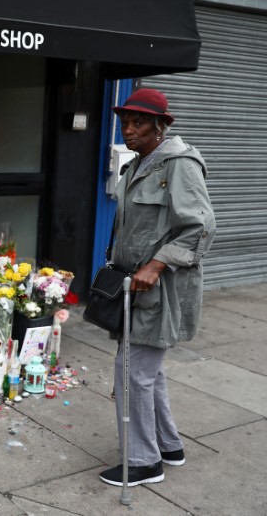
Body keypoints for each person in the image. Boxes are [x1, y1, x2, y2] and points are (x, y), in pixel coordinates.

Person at [100, 88, 216, 487]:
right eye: (125, 122)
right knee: (147, 371)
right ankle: (168, 446)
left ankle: (144, 462)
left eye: (139, 122)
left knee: (131, 371)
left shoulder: (179, 164)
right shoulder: (138, 165)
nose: (128, 130)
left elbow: (201, 227)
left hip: (161, 289)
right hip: (133, 287)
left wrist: (156, 263)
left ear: (161, 126)